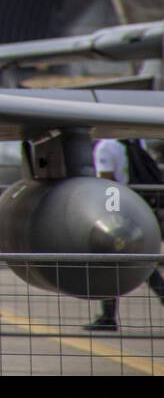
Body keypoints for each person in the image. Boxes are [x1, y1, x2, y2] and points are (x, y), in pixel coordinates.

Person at [83, 138, 164, 332]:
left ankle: (108, 316)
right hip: (141, 207)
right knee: (143, 263)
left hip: (119, 210)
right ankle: (108, 315)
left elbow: (107, 182)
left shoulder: (106, 146)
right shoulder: (136, 142)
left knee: (109, 263)